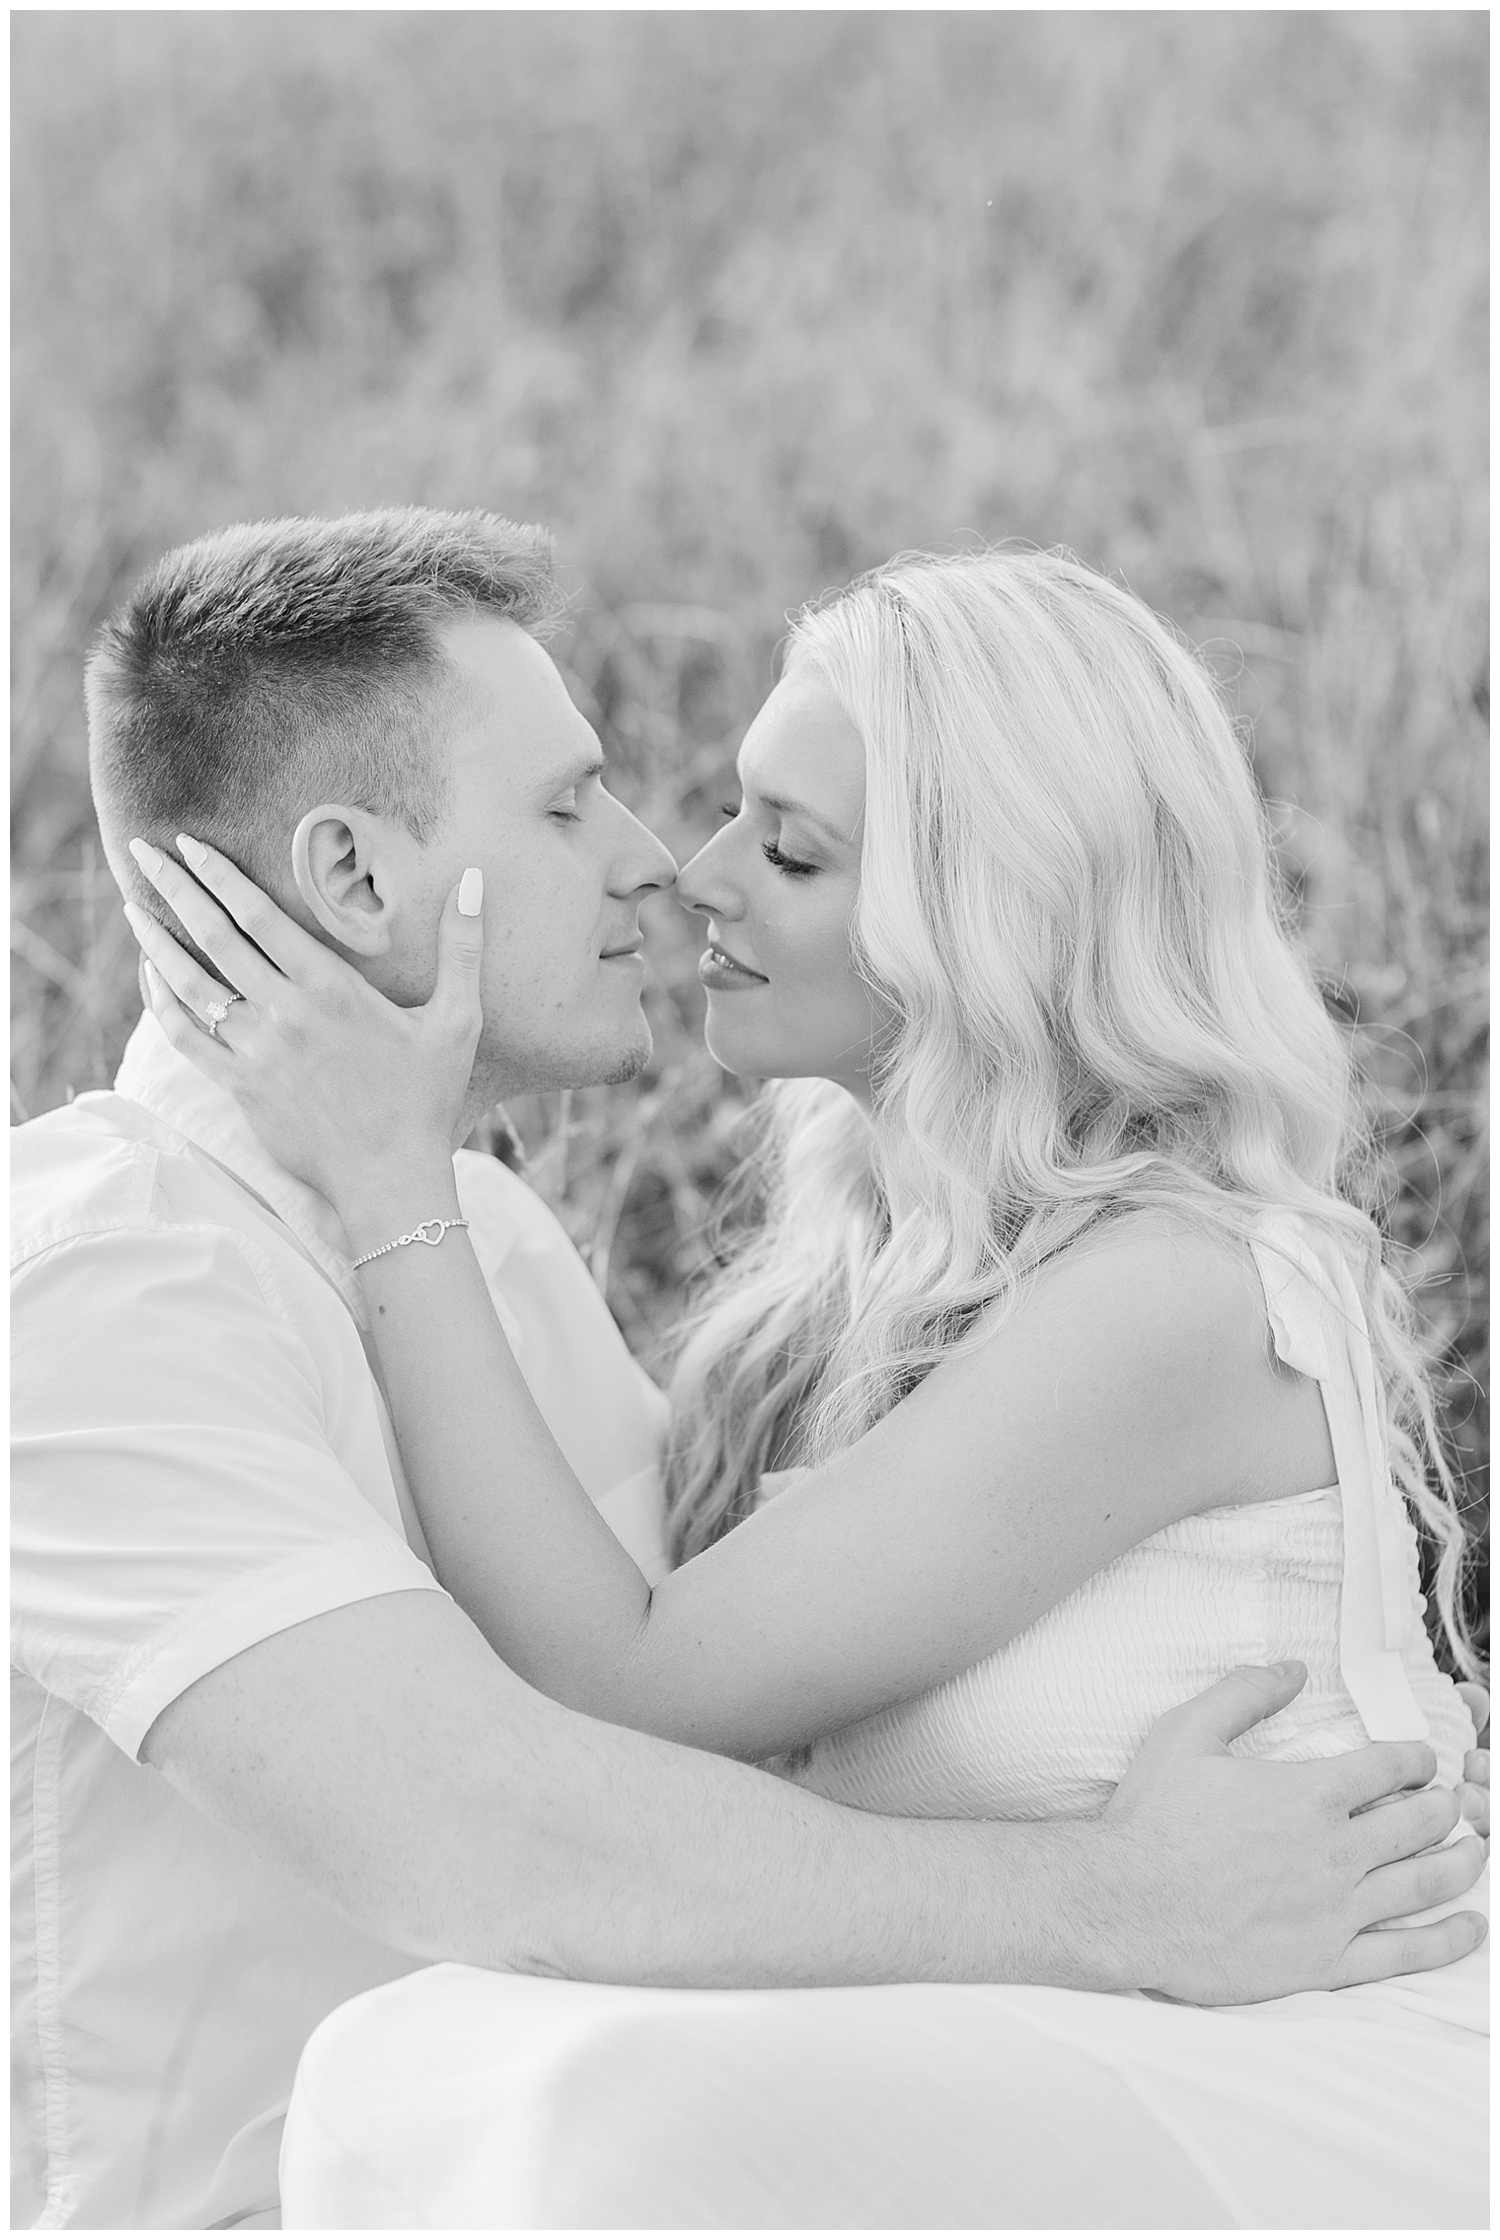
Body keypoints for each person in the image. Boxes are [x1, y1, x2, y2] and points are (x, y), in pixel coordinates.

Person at [122, 527, 1489, 2227]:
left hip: (1303, 2075)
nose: (692, 874)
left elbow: (628, 1685)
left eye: (791, 848)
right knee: (453, 2058)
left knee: (571, 2094)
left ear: (984, 910)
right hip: (1072, 2041)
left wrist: (393, 1184)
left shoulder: (1178, 1292)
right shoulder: (842, 1282)